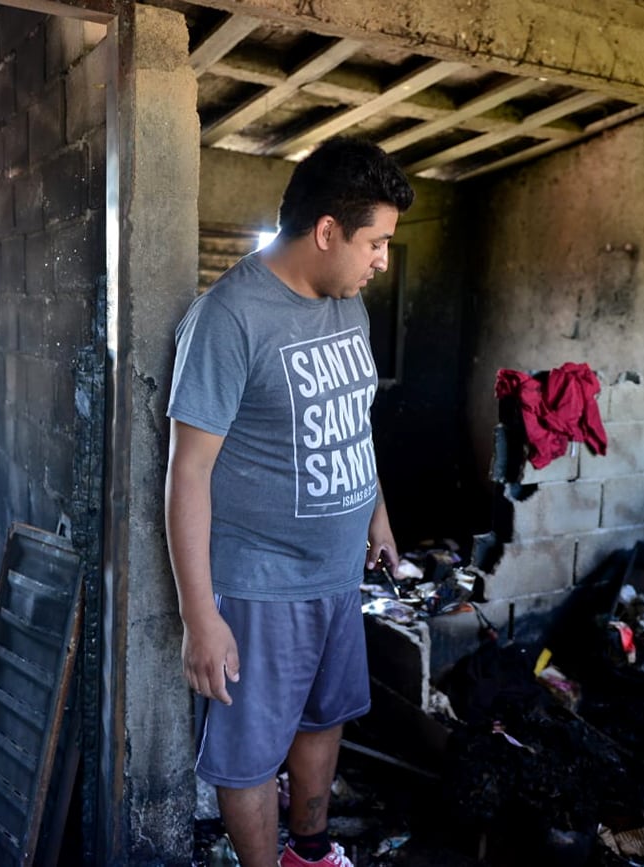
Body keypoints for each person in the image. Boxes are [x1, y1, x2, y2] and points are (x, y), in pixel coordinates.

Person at [165, 137, 415, 867]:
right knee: (247, 756)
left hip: (337, 575)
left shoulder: (349, 306)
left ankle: (310, 849)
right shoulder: (229, 317)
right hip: (262, 586)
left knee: (324, 718)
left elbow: (353, 419)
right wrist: (199, 615)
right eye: (376, 242)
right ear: (329, 231)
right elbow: (187, 475)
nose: (381, 261)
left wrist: (376, 513)